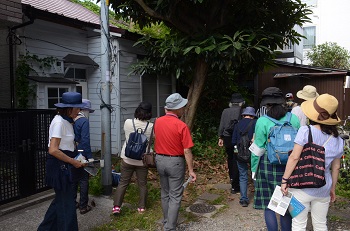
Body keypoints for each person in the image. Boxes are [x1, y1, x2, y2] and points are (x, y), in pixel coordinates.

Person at [281, 94, 343, 231]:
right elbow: (336, 167)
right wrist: (332, 188)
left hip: (300, 186)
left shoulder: (305, 131)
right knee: (321, 224)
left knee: (298, 224)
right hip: (323, 188)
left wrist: (285, 180)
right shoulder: (339, 140)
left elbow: (294, 158)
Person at [250, 87, 300, 231]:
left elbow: (257, 149)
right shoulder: (294, 119)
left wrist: (254, 169)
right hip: (290, 166)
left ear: (267, 104)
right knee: (284, 203)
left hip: (268, 165)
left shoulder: (262, 121)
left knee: (269, 204)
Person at [38, 92, 86, 231]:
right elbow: (53, 150)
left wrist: (79, 159)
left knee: (61, 201)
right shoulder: (59, 122)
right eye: (77, 108)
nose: (79, 111)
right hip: (60, 167)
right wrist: (73, 161)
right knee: (67, 205)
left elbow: (68, 146)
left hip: (65, 164)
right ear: (68, 108)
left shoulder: (67, 121)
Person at [154, 93, 196, 231]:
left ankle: (166, 221)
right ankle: (170, 227)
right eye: (182, 106)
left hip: (159, 160)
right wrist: (191, 170)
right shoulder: (181, 125)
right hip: (175, 162)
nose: (184, 108)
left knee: (165, 192)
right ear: (177, 108)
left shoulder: (158, 121)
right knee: (175, 195)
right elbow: (187, 151)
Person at [112, 102, 154, 214]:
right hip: (142, 160)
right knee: (142, 184)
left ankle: (116, 207)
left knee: (123, 183)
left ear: (137, 110)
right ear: (149, 113)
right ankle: (141, 207)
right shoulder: (151, 126)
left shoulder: (128, 122)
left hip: (127, 158)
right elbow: (152, 140)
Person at [218, 93, 245, 194]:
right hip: (238, 139)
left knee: (230, 159)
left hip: (227, 138)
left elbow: (221, 125)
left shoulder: (225, 111)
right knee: (237, 159)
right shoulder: (242, 111)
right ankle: (237, 184)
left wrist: (220, 137)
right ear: (241, 103)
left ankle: (233, 181)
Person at [232, 106, 257, 207]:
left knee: (243, 176)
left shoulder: (237, 124)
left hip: (240, 154)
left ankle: (243, 199)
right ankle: (258, 198)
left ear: (243, 115)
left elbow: (233, 141)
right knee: (254, 175)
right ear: (253, 115)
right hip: (253, 153)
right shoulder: (255, 123)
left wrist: (236, 153)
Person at [73, 99, 95, 215]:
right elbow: (85, 141)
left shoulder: (71, 119)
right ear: (84, 110)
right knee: (83, 179)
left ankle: (73, 203)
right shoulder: (84, 121)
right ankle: (83, 206)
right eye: (88, 111)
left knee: (74, 178)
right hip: (82, 153)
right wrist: (90, 157)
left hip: (71, 152)